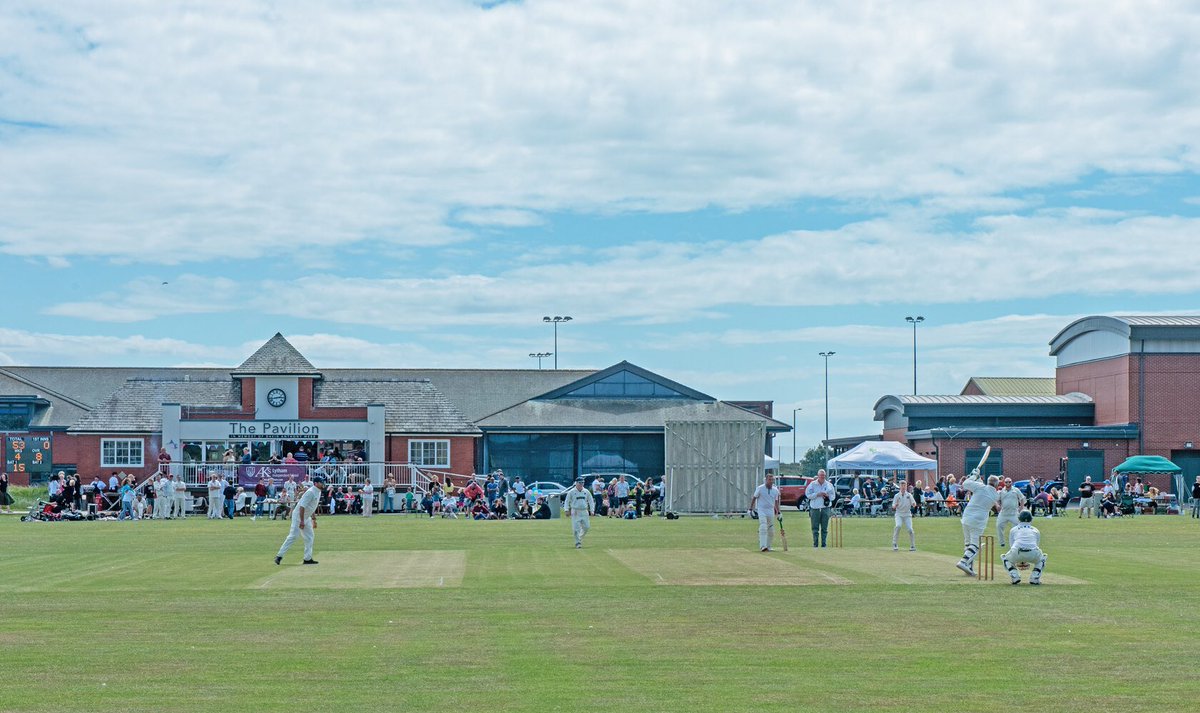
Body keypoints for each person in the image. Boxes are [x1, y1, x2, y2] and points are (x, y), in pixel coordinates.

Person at [955, 472, 1002, 576]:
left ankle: (969, 567)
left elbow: (965, 484)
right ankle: (963, 562)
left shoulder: (980, 487)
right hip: (978, 520)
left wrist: (974, 475)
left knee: (968, 543)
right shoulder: (996, 494)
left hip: (967, 517)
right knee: (975, 545)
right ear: (996, 485)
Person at [275, 475, 327, 566]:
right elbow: (302, 507)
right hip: (299, 516)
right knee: (293, 536)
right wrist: (302, 521)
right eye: (321, 482)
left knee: (310, 537)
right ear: (315, 483)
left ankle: (307, 558)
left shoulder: (318, 491)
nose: (323, 484)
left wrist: (313, 519)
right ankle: (279, 556)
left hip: (306, 517)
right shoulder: (310, 492)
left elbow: (311, 507)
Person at [1001, 510, 1048, 585]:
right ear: (1031, 519)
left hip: (1017, 552)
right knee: (1043, 558)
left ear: (1019, 519)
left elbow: (1012, 546)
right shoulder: (1036, 530)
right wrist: (1025, 560)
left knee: (1005, 558)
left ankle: (1014, 576)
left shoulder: (1013, 530)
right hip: (1033, 553)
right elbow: (1036, 546)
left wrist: (1021, 560)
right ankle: (1034, 578)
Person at [748, 473, 781, 552]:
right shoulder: (760, 488)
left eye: (772, 480)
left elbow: (776, 502)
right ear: (766, 480)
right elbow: (754, 498)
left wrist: (779, 512)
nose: (771, 481)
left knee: (771, 529)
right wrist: (750, 509)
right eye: (769, 479)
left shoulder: (775, 490)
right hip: (761, 509)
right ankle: (763, 546)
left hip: (770, 510)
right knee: (763, 526)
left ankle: (768, 546)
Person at [805, 470, 836, 548]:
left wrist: (828, 496)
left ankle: (824, 544)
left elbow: (833, 496)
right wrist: (817, 494)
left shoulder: (829, 485)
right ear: (818, 475)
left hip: (825, 508)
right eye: (821, 475)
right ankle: (815, 544)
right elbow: (808, 494)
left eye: (824, 475)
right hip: (815, 508)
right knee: (815, 528)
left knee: (824, 528)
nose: (822, 477)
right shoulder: (813, 484)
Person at [563, 478, 595, 548]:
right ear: (576, 483)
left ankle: (579, 538)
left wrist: (592, 510)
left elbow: (591, 501)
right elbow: (567, 501)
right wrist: (566, 510)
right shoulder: (571, 492)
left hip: (584, 511)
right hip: (575, 511)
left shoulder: (586, 491)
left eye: (582, 483)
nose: (581, 484)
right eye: (580, 483)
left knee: (586, 527)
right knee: (575, 528)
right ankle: (578, 543)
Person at [995, 477, 1026, 547]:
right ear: (1004, 483)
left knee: (1017, 527)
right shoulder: (1001, 491)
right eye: (1006, 482)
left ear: (1011, 482)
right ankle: (1002, 542)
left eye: (1009, 482)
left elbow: (1022, 498)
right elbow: (996, 500)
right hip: (1004, 513)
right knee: (999, 526)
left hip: (1014, 513)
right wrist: (997, 505)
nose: (1008, 483)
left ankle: (1016, 541)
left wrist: (1021, 508)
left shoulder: (1016, 490)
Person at [891, 480, 916, 551]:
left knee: (910, 529)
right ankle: (895, 543)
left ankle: (912, 545)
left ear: (906, 486)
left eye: (904, 485)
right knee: (898, 526)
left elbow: (913, 503)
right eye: (902, 485)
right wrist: (895, 505)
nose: (903, 487)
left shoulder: (909, 495)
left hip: (907, 514)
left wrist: (914, 504)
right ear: (900, 486)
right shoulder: (896, 496)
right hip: (899, 514)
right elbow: (893, 506)